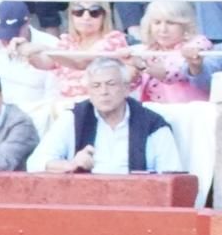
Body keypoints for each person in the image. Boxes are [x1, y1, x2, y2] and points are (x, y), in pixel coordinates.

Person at [27, 57, 183, 172]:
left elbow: (171, 173)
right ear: (88, 91)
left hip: (136, 205)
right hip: (85, 204)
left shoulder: (153, 124)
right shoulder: (73, 118)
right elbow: (35, 162)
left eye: (111, 84)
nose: (104, 92)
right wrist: (70, 165)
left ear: (127, 88)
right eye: (96, 86)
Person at [25, 0, 137, 100]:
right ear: (71, 15)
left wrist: (46, 49)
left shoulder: (114, 40)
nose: (86, 17)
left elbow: (79, 61)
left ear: (104, 15)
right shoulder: (67, 41)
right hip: (66, 107)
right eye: (79, 11)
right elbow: (44, 63)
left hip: (102, 105)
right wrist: (26, 50)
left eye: (94, 12)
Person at [0, 0, 57, 109]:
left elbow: (52, 97)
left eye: (12, 32)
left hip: (36, 113)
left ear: (27, 22)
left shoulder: (51, 43)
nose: (6, 40)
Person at [128, 0, 210, 102]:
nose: (163, 29)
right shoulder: (148, 50)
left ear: (185, 24)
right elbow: (130, 87)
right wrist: (130, 73)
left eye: (170, 23)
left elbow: (172, 72)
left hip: (189, 114)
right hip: (154, 114)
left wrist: (141, 65)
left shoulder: (199, 43)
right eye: (157, 23)